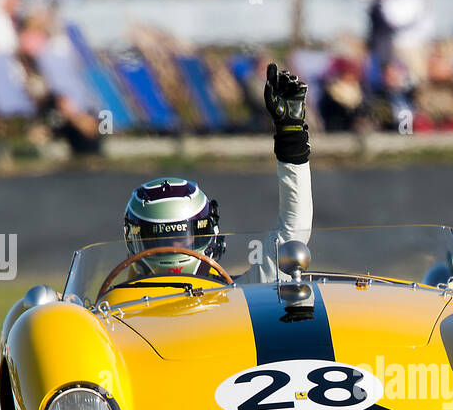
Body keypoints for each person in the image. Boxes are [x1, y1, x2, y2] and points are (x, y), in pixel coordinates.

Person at [118, 64, 312, 282]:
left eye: (184, 240)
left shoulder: (233, 296)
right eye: (161, 243)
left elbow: (292, 238)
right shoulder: (111, 309)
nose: (177, 250)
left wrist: (291, 138)